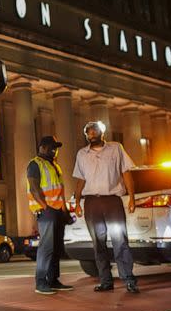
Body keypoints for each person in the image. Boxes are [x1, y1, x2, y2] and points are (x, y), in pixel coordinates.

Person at [73, 121, 139, 293]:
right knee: (98, 243)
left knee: (120, 240)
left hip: (112, 202)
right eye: (88, 132)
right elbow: (80, 179)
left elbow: (126, 173)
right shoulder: (82, 154)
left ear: (102, 132)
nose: (91, 134)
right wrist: (77, 202)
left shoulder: (116, 148)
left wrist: (132, 198)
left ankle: (128, 279)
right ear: (86, 135)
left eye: (94, 131)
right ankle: (105, 281)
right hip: (91, 204)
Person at [27, 136, 74, 295]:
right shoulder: (35, 164)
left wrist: (65, 211)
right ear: (42, 147)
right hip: (46, 211)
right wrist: (45, 207)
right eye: (51, 147)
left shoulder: (54, 166)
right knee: (46, 248)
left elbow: (60, 190)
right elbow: (34, 189)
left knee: (56, 247)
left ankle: (53, 280)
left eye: (56, 147)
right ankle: (41, 282)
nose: (55, 150)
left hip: (58, 211)